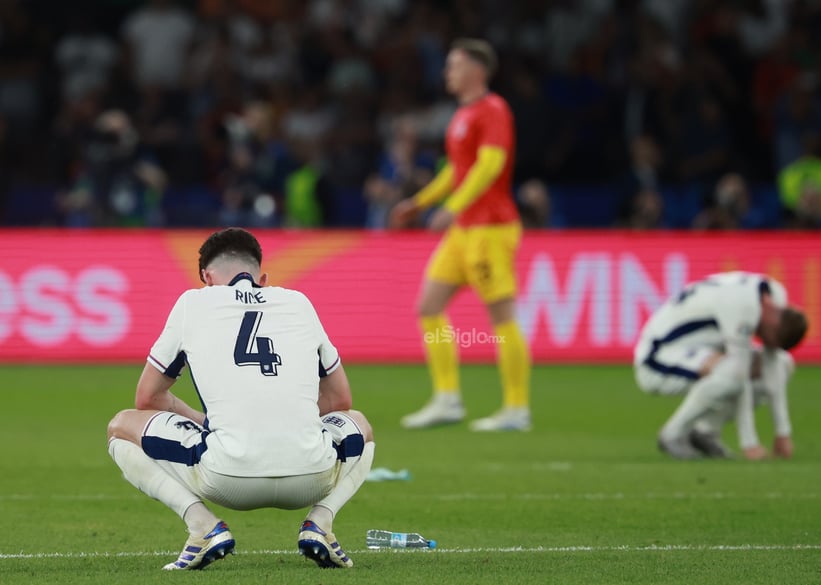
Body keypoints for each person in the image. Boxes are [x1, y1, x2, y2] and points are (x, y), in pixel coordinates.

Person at [106, 228, 375, 570]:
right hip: (312, 475)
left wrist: (204, 422)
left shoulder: (193, 302)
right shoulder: (298, 302)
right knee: (361, 425)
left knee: (121, 426)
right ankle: (320, 522)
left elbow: (147, 396)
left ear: (206, 276)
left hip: (227, 478)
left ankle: (203, 526)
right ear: (262, 278)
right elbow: (340, 398)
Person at [390, 38, 531, 432]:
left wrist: (451, 207)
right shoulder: (462, 115)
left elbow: (490, 166)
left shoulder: (494, 110)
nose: (446, 72)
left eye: (454, 65)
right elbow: (458, 171)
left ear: (477, 71)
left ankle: (517, 408)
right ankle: (448, 399)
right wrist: (420, 201)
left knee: (501, 318)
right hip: (464, 230)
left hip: (491, 229)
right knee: (428, 307)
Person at [633, 272, 808, 460]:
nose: (762, 341)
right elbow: (740, 375)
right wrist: (749, 443)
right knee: (732, 372)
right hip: (659, 355)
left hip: (701, 351)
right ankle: (672, 434)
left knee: (784, 363)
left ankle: (705, 432)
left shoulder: (775, 295)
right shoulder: (742, 307)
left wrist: (783, 433)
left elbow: (773, 365)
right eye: (767, 340)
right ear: (773, 324)